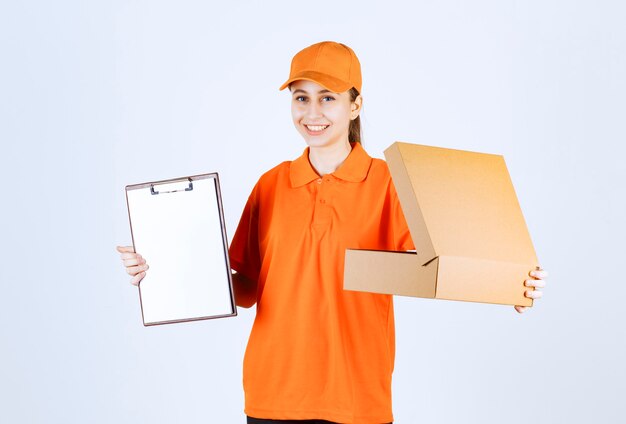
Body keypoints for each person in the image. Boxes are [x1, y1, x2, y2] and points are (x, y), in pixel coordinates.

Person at [116, 41, 548, 424]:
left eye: (328, 98)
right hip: (273, 395)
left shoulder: (390, 184)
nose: (312, 113)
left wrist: (510, 285)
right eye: (301, 98)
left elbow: (441, 265)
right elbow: (244, 288)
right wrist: (161, 271)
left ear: (355, 106)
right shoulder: (271, 185)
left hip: (356, 397)